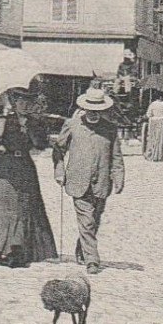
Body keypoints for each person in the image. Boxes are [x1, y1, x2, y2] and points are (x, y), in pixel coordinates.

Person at [52, 88, 125, 273]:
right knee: (87, 221)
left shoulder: (110, 129)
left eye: (98, 110)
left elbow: (116, 156)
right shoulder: (72, 125)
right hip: (77, 180)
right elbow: (58, 149)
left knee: (95, 220)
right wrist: (59, 170)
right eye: (90, 109)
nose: (94, 113)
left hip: (101, 182)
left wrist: (118, 177)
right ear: (84, 108)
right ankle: (92, 260)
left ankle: (82, 249)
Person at [0, 88, 58, 267]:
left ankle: (20, 250)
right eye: (21, 101)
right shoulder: (3, 121)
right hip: (6, 167)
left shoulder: (35, 123)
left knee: (25, 207)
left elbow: (40, 144)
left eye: (28, 101)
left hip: (25, 166)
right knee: (6, 207)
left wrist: (30, 129)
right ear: (14, 103)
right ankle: (1, 249)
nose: (25, 105)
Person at [142, 92, 163, 162]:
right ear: (160, 97)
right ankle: (159, 156)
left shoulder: (152, 104)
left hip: (152, 122)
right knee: (160, 139)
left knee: (152, 138)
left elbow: (148, 114)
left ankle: (151, 154)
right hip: (161, 122)